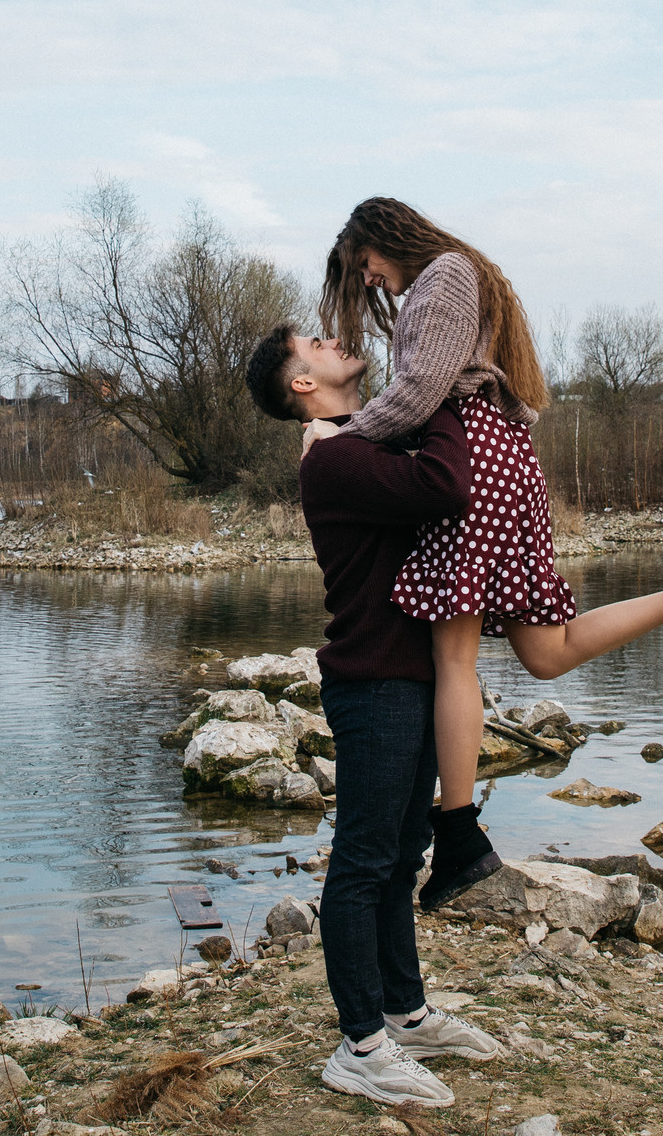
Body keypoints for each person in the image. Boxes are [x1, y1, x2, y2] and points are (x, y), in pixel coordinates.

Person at [280, 196, 663, 908]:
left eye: (364, 263)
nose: (369, 279)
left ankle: (459, 833)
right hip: (502, 457)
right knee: (547, 652)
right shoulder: (464, 276)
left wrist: (345, 433)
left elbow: (419, 393)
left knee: (453, 658)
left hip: (469, 458)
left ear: (384, 235)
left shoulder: (441, 277)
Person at [281, 332, 505, 1108]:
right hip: (374, 681)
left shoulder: (353, 441)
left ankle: (403, 1013)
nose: (333, 336)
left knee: (403, 853)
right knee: (364, 860)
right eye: (312, 341)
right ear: (304, 381)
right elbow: (445, 483)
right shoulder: (333, 459)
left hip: (408, 679)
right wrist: (442, 388)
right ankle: (360, 1046)